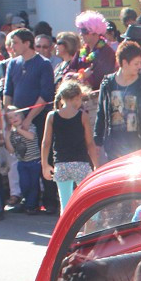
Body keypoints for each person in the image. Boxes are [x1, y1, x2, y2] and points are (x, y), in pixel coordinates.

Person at [93, 40, 141, 161]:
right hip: (115, 146)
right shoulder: (108, 84)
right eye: (136, 64)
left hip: (140, 143)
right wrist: (97, 139)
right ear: (124, 63)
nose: (140, 67)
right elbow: (101, 113)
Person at [42, 80, 98, 211]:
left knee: (65, 204)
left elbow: (46, 142)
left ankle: (67, 229)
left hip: (61, 165)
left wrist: (45, 164)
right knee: (88, 200)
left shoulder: (52, 116)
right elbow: (90, 143)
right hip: (81, 164)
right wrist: (96, 164)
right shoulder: (82, 116)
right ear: (77, 98)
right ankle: (89, 226)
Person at [3, 106, 42, 214]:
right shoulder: (12, 133)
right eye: (10, 118)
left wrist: (19, 129)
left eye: (16, 115)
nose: (14, 118)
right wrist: (7, 137)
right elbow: (11, 150)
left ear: (21, 115)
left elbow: (31, 137)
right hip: (22, 162)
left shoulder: (29, 127)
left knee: (34, 184)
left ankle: (32, 205)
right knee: (24, 184)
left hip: (34, 161)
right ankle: (26, 202)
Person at [75, 11, 117, 91]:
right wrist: (82, 75)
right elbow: (67, 74)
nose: (81, 34)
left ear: (95, 32)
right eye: (80, 30)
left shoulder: (107, 52)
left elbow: (98, 81)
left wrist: (78, 77)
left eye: (84, 31)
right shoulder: (82, 51)